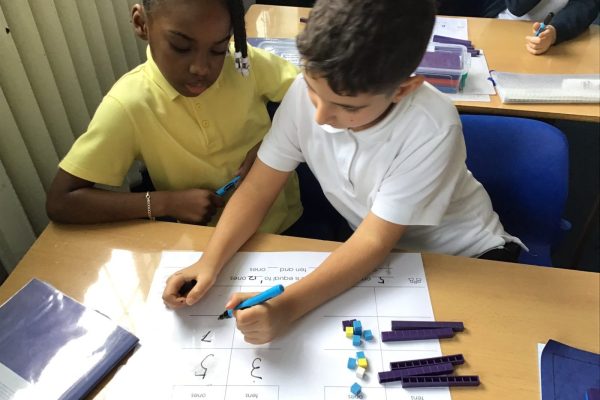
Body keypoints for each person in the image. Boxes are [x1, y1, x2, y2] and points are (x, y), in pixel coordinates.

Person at [162, 0, 523, 344]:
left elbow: (374, 241)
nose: (320, 116)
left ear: (403, 89)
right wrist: (209, 261)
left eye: (347, 107)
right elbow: (257, 188)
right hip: (383, 259)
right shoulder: (311, 94)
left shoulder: (432, 126)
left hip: (463, 259)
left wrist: (287, 306)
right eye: (313, 90)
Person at [45, 0, 302, 234]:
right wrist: (165, 203)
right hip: (202, 240)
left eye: (217, 49)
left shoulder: (242, 63)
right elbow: (61, 201)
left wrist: (272, 144)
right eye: (181, 47)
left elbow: (311, 95)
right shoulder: (130, 104)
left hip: (282, 222)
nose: (201, 68)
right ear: (141, 24)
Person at [481, 0, 600, 54]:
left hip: (548, 37)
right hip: (501, 28)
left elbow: (585, 6)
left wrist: (554, 31)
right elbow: (516, 6)